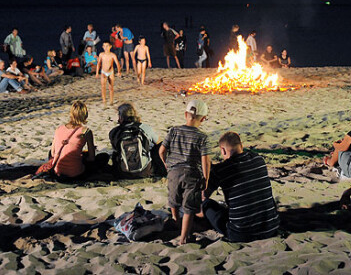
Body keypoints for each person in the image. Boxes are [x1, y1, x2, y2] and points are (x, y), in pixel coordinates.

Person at [203, 131, 280, 242]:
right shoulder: (259, 160)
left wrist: (207, 169)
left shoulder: (222, 169)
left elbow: (203, 194)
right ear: (241, 146)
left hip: (240, 234)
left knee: (206, 204)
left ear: (223, 150)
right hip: (271, 228)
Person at [159, 100, 211, 245]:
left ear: (185, 114)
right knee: (189, 207)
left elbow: (162, 151)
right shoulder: (202, 137)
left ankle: (176, 220)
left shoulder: (174, 130)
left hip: (174, 172)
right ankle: (183, 237)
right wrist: (205, 179)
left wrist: (167, 165)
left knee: (173, 198)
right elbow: (205, 161)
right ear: (203, 118)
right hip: (192, 174)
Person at [48, 101, 98, 179]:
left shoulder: (59, 129)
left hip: (57, 171)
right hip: (75, 172)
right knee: (102, 157)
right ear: (85, 115)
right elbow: (91, 158)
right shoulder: (86, 131)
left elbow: (53, 153)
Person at [109, 103, 160, 178]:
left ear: (121, 117)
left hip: (123, 173)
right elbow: (159, 143)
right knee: (156, 148)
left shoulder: (114, 132)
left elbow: (116, 150)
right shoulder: (144, 128)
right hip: (145, 171)